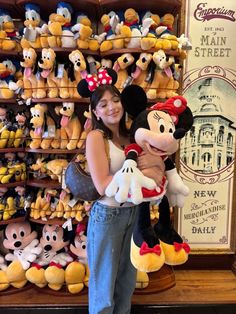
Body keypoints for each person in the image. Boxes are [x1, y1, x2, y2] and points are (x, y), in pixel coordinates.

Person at [86, 84, 162, 314]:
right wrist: (137, 177)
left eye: (116, 100)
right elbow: (102, 184)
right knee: (104, 291)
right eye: (103, 104)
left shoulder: (131, 135)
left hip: (134, 214)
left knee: (126, 285)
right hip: (108, 217)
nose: (112, 107)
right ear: (96, 112)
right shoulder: (96, 137)